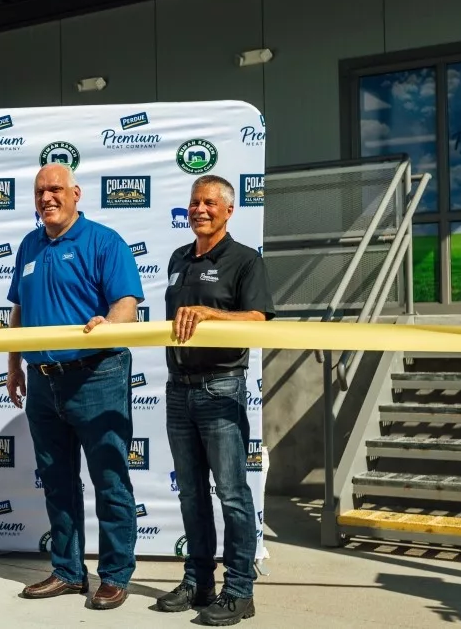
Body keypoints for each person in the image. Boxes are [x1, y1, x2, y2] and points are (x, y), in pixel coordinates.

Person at [6, 163, 143, 611]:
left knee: (109, 478)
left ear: (76, 193)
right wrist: (14, 365)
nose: (48, 198)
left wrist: (109, 324)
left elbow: (127, 304)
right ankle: (67, 571)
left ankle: (115, 574)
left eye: (56, 190)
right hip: (44, 384)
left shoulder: (105, 241)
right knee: (57, 483)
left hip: (97, 375)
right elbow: (19, 314)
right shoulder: (29, 245)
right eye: (40, 191)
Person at [157, 175, 275, 626]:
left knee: (231, 494)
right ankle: (198, 581)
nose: (200, 209)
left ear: (228, 210)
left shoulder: (245, 260)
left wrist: (212, 314)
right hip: (177, 387)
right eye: (194, 202)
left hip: (221, 387)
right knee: (190, 493)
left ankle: (240, 590)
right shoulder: (177, 258)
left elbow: (259, 318)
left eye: (209, 203)